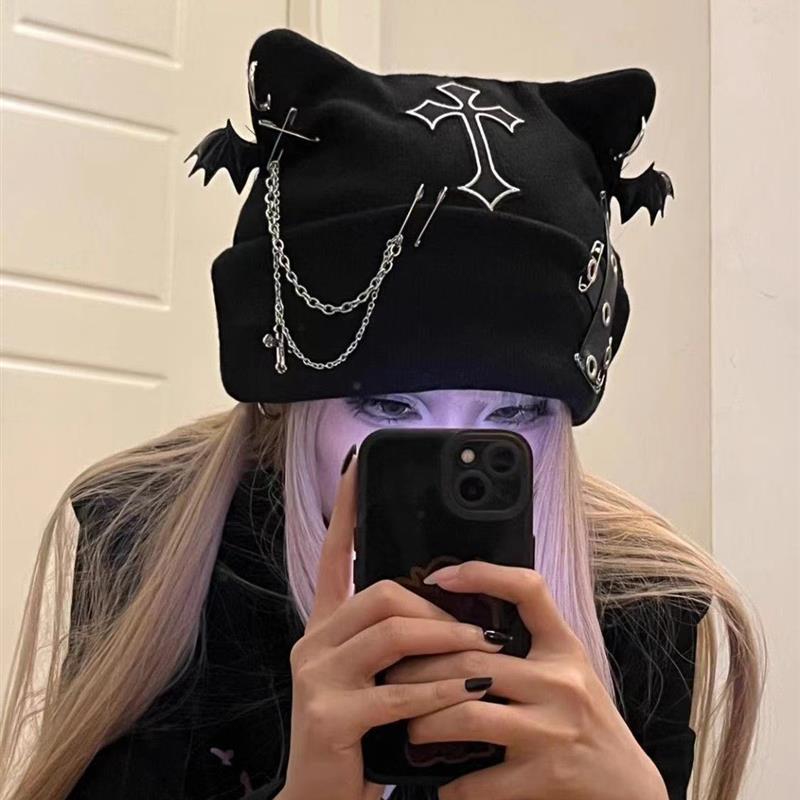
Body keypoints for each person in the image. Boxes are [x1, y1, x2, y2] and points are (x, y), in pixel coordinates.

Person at [0, 28, 764, 800]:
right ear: (286, 410)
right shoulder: (157, 549)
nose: (451, 446)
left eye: (518, 410)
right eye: (388, 404)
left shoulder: (641, 602)